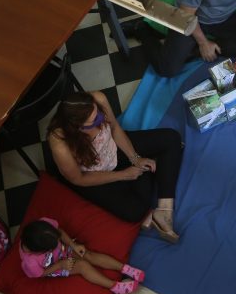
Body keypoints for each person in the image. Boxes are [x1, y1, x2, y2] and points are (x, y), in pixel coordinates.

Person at [47, 91, 184, 243]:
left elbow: (115, 128)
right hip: (94, 173)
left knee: (171, 138)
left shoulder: (98, 99)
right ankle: (153, 169)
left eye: (99, 114)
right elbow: (79, 179)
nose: (100, 122)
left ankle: (164, 210)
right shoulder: (60, 143)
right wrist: (123, 175)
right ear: (77, 128)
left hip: (114, 148)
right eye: (93, 122)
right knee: (134, 211)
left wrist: (135, 158)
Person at [19, 218, 145, 294]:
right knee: (83, 266)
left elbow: (60, 232)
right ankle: (114, 286)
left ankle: (125, 268)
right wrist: (60, 265)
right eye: (51, 248)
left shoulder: (44, 225)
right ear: (38, 252)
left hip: (65, 250)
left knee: (87, 254)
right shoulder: (30, 262)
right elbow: (40, 274)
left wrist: (73, 246)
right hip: (53, 267)